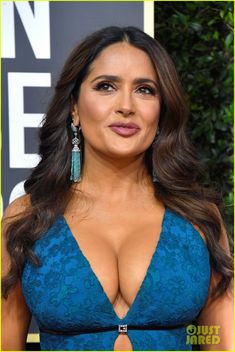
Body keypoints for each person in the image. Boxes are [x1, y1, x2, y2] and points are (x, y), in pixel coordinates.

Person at [2, 26, 233, 351]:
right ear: (75, 108)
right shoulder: (27, 218)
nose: (127, 105)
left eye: (145, 90)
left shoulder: (198, 219)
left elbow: (221, 343)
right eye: (106, 86)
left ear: (162, 109)